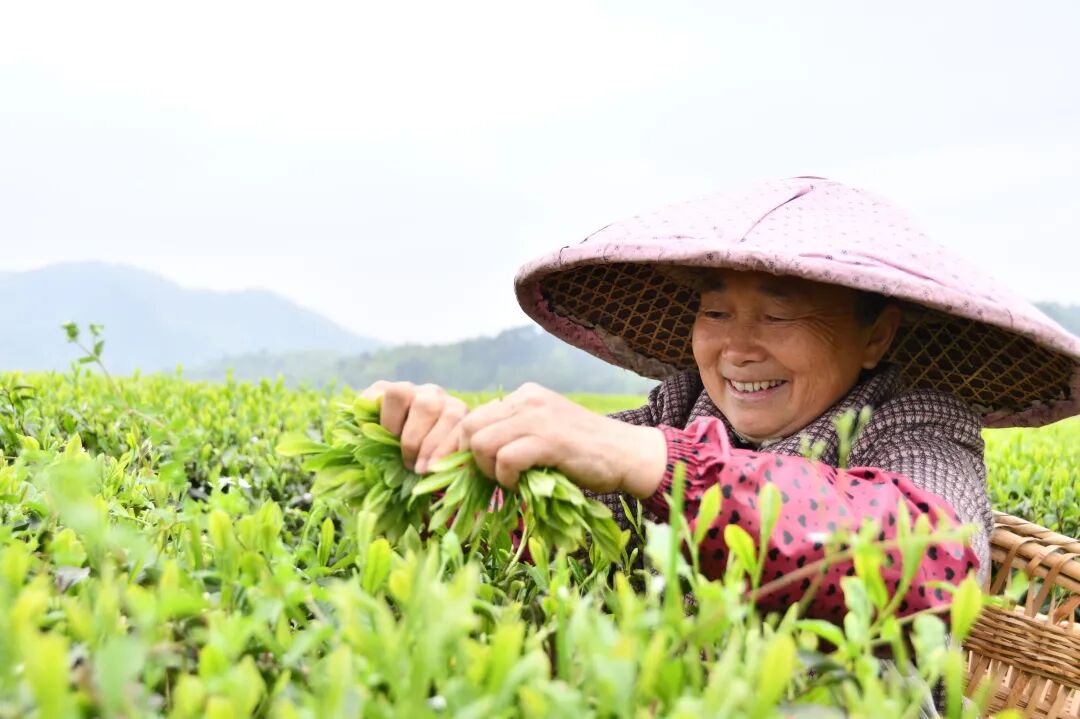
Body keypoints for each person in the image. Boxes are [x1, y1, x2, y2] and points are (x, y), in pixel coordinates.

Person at [361, 177, 1080, 623]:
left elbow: (929, 560)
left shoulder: (918, 424)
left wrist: (661, 465)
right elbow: (547, 527)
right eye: (714, 312)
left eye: (777, 314)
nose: (736, 349)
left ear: (876, 334)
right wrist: (449, 463)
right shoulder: (680, 408)